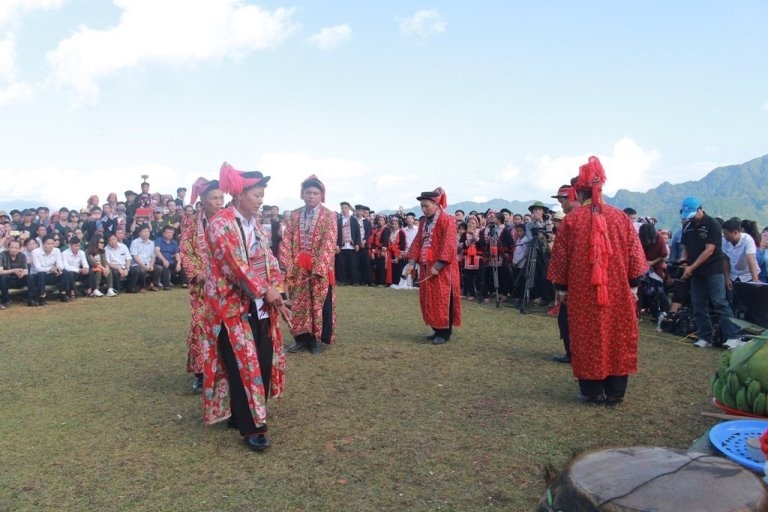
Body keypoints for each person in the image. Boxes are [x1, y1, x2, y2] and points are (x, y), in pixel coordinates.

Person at [203, 162, 290, 452]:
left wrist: (277, 288)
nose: (261, 199)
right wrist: (264, 290)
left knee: (261, 359)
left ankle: (243, 413)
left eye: (263, 194)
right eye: (257, 194)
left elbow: (270, 260)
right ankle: (253, 426)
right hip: (232, 306)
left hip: (262, 305)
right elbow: (234, 265)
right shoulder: (221, 223)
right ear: (240, 195)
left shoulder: (258, 226)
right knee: (244, 364)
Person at [547, 156, 647, 405]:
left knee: (587, 338)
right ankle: (615, 393)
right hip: (617, 291)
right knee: (617, 336)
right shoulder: (621, 218)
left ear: (579, 194)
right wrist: (633, 285)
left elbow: (560, 259)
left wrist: (561, 288)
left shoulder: (571, 221)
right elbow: (636, 256)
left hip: (582, 293)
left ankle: (592, 392)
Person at [280, 175, 338, 354]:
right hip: (298, 267)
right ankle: (301, 338)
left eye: (315, 193)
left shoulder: (329, 216)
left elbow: (329, 241)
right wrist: (288, 263)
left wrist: (319, 267)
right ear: (302, 194)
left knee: (318, 304)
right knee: (297, 303)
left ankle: (317, 339)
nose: (311, 196)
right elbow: (287, 239)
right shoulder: (294, 215)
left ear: (321, 195)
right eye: (308, 193)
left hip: (319, 269)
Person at [678, 197, 742, 349]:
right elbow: (686, 248)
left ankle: (733, 336)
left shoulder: (712, 224)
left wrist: (691, 268)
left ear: (700, 209)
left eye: (693, 214)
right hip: (696, 271)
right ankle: (704, 336)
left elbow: (709, 250)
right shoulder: (688, 226)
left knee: (719, 302)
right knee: (698, 304)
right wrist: (683, 261)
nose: (691, 218)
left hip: (713, 270)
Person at [180, 178, 224, 392]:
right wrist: (197, 272)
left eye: (221, 197)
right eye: (214, 198)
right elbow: (186, 250)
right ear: (203, 200)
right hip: (201, 287)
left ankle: (224, 372)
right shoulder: (190, 223)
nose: (218, 202)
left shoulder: (228, 220)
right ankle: (200, 373)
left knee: (225, 328)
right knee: (199, 326)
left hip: (226, 287)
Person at [404, 187, 462, 345]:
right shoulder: (423, 222)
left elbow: (449, 244)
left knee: (443, 299)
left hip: (443, 269)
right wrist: (411, 263)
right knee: (429, 299)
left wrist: (439, 264)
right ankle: (436, 329)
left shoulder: (447, 220)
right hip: (425, 267)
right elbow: (417, 243)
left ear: (436, 204)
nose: (424, 209)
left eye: (426, 206)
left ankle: (444, 332)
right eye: (422, 206)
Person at [30, 234, 65, 305]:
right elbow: (38, 268)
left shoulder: (57, 250)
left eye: (52, 244)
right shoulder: (35, 252)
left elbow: (60, 264)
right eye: (48, 244)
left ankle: (63, 294)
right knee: (41, 274)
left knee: (65, 272)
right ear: (42, 244)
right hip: (37, 276)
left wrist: (59, 268)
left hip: (50, 274)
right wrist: (51, 269)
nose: (50, 245)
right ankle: (41, 297)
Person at [0, 239, 31, 308]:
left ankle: (31, 299)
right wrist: (14, 270)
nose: (14, 250)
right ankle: (5, 301)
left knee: (30, 277)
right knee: (3, 277)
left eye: (16, 248)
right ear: (8, 247)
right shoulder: (2, 255)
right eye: (12, 247)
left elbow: (26, 270)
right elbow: (0, 271)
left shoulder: (22, 255)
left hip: (18, 279)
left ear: (19, 249)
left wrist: (22, 273)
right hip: (7, 281)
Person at [154, 225, 184, 290]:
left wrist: (178, 263)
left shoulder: (174, 242)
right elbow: (157, 251)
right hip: (161, 261)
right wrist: (164, 260)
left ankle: (184, 283)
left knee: (182, 264)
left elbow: (177, 254)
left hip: (171, 261)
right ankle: (166, 285)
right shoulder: (159, 240)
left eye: (171, 233)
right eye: (168, 233)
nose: (170, 234)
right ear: (163, 233)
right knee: (166, 266)